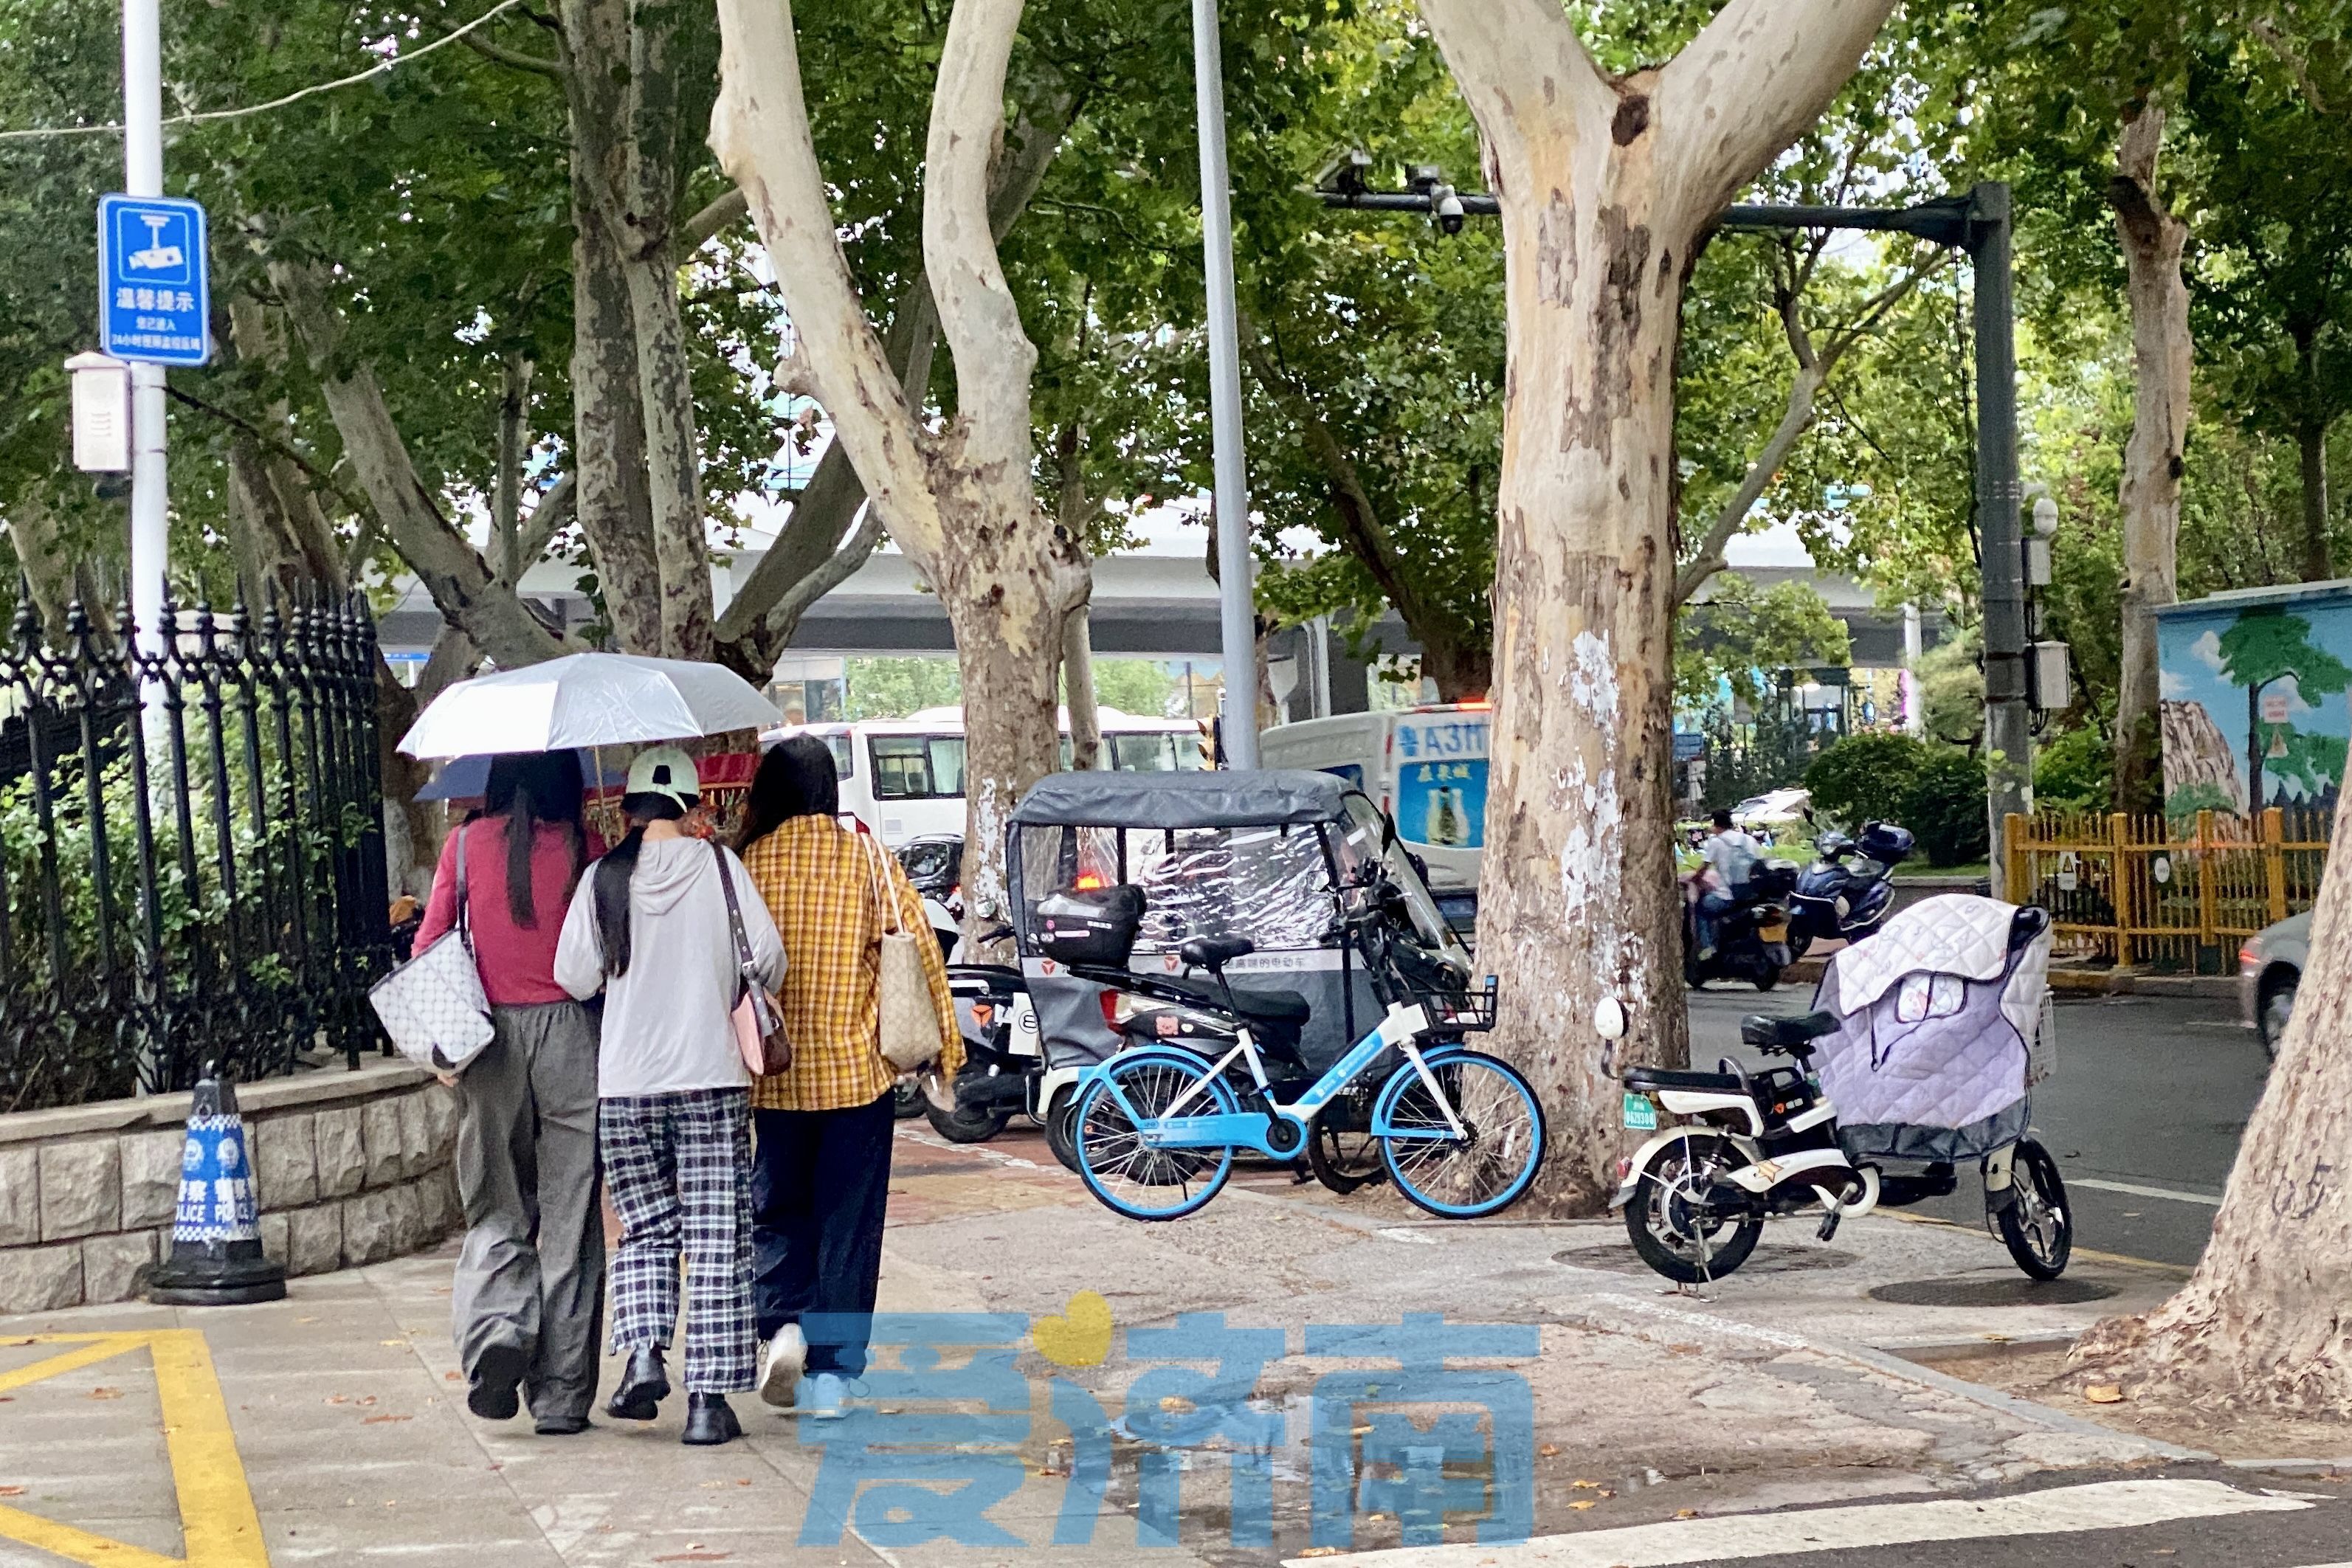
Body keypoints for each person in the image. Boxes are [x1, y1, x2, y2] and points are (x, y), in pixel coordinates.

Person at [553, 747, 784, 1447]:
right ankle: (709, 1405)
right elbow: (767, 958)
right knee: (718, 1236)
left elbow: (574, 977)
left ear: (626, 809)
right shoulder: (722, 869)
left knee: (646, 1228)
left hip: (626, 1083)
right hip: (710, 1075)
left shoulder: (602, 879)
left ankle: (645, 1354)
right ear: (692, 806)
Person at [736, 735, 959, 1420]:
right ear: (829, 791)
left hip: (771, 1076)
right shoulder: (868, 857)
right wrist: (944, 1050)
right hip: (856, 1076)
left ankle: (783, 1324)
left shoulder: (746, 863)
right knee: (849, 1222)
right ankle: (833, 1373)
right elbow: (919, 952)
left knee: (776, 1205)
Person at [413, 750, 604, 1435]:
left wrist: (446, 1047)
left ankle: (498, 1329)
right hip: (574, 1038)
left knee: (496, 1204)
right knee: (572, 1214)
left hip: (489, 1038)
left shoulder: (463, 847)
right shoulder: (588, 846)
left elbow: (429, 945)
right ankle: (560, 1392)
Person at [1696, 807, 1765, 956]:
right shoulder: (1748, 839)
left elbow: (1703, 869)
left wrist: (1694, 878)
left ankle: (1708, 947)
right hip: (1753, 894)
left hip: (1729, 896)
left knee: (1701, 909)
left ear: (1716, 825)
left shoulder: (1716, 842)